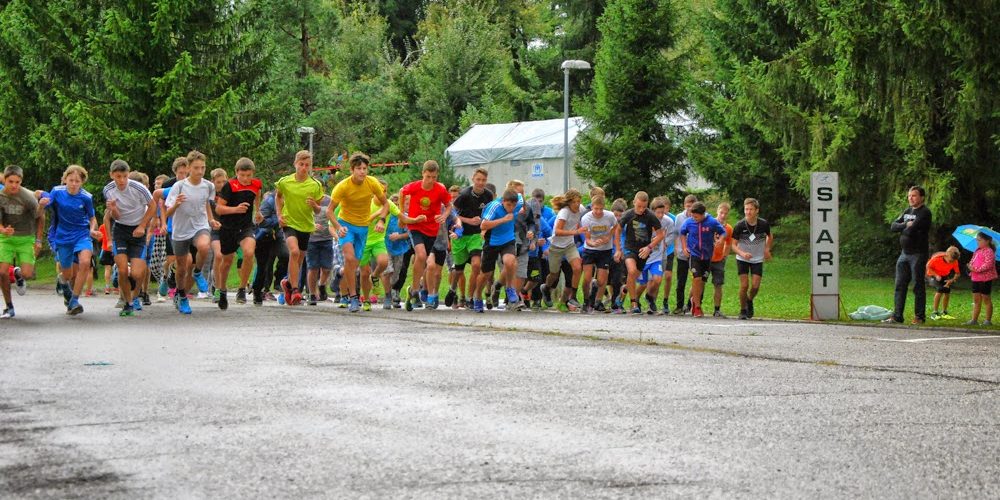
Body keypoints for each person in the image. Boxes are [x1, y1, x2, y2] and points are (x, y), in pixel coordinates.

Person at [327, 152, 390, 313]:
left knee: (354, 264)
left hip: (363, 227)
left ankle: (339, 275)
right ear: (352, 170)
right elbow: (329, 211)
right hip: (346, 225)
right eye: (359, 168)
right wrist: (338, 227)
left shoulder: (372, 183)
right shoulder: (343, 186)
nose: (362, 171)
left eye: (364, 168)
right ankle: (353, 297)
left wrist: (381, 220)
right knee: (349, 258)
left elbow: (386, 205)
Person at [165, 151, 219, 315]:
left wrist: (211, 220)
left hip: (199, 225)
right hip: (181, 230)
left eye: (203, 168)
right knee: (182, 268)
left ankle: (197, 273)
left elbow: (206, 204)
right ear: (188, 168)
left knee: (204, 246)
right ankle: (181, 295)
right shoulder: (179, 186)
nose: (200, 171)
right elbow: (167, 213)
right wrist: (176, 204)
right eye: (196, 168)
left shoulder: (208, 186)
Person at [102, 159, 156, 316]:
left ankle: (135, 295)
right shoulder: (108, 190)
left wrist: (142, 226)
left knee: (137, 273)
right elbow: (115, 216)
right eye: (118, 176)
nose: (122, 180)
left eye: (125, 176)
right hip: (120, 230)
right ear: (112, 175)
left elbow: (153, 206)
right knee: (123, 270)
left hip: (138, 231)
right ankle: (128, 303)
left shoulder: (138, 188)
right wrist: (113, 209)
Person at [48, 165, 102, 315]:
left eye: (77, 181)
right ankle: (61, 279)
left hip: (82, 234)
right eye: (71, 180)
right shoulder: (56, 192)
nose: (73, 184)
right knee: (68, 274)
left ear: (82, 182)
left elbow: (92, 218)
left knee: (85, 263)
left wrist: (92, 230)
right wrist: (40, 202)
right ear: (65, 179)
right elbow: (46, 205)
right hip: (63, 236)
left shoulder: (86, 197)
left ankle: (74, 300)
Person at [400, 160, 451, 310]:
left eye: (434, 177)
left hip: (432, 229)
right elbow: (402, 192)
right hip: (415, 225)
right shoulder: (415, 186)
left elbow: (449, 205)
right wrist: (402, 214)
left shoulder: (440, 189)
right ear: (423, 174)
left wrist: (444, 216)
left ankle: (412, 290)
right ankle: (416, 290)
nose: (430, 180)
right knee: (421, 255)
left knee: (423, 259)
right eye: (428, 176)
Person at [275, 150, 324, 306]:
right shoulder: (285, 182)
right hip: (289, 222)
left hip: (306, 225)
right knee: (294, 252)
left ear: (310, 167)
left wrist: (314, 205)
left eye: (307, 165)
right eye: (301, 164)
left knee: (300, 258)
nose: (304, 168)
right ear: (295, 164)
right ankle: (296, 290)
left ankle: (288, 283)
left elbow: (318, 210)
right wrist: (279, 215)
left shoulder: (315, 185)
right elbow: (278, 196)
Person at [215, 158, 262, 308]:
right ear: (236, 173)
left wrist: (258, 211)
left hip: (246, 226)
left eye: (249, 175)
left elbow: (257, 194)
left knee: (249, 252)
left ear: (253, 173)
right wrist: (235, 209)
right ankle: (222, 290)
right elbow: (219, 209)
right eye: (242, 175)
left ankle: (242, 289)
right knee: (227, 261)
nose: (245, 179)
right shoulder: (229, 186)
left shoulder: (256, 184)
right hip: (228, 227)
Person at [0, 166, 45, 319]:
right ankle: (9, 306)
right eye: (10, 182)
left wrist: (38, 240)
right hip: (6, 238)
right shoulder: (0, 196)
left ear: (21, 181)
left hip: (26, 237)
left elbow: (40, 216)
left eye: (17, 182)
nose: (14, 185)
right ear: (4, 180)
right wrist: (3, 230)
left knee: (28, 274)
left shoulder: (28, 197)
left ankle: (17, 273)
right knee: (1, 272)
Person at [885, 186, 932, 324]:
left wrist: (904, 227)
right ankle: (897, 316)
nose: (911, 198)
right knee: (899, 285)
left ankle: (919, 317)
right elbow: (893, 226)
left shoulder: (925, 212)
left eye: (914, 195)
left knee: (918, 286)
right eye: (909, 196)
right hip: (904, 254)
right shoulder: (907, 211)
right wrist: (905, 225)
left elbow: (912, 230)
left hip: (918, 254)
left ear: (922, 197)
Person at [614, 191, 664, 314]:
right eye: (639, 206)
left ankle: (623, 292)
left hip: (643, 251)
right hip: (629, 248)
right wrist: (618, 249)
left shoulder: (650, 216)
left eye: (644, 207)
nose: (641, 209)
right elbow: (618, 230)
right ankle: (634, 303)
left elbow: (660, 235)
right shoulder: (628, 214)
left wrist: (649, 247)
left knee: (633, 276)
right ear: (634, 202)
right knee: (631, 271)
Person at [450, 168, 493, 309]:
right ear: (473, 179)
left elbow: (490, 213)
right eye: (478, 179)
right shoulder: (464, 195)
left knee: (476, 265)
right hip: (461, 234)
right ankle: (452, 289)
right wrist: (468, 220)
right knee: (458, 270)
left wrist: (484, 226)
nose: (480, 183)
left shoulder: (488, 195)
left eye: (483, 180)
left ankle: (470, 297)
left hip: (476, 235)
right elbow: (452, 214)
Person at [540, 189, 585, 312]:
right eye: (574, 202)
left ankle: (573, 297)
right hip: (556, 246)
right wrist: (575, 232)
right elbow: (558, 231)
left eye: (579, 201)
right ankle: (546, 287)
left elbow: (584, 218)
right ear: (569, 203)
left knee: (577, 267)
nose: (577, 204)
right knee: (554, 274)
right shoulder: (564, 213)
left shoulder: (580, 209)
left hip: (569, 245)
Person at [477, 189, 522, 313]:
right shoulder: (494, 206)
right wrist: (504, 219)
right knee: (486, 274)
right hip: (492, 241)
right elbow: (483, 225)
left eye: (513, 205)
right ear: (503, 201)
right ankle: (478, 297)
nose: (511, 208)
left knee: (510, 261)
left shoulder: (518, 202)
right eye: (508, 205)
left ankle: (510, 288)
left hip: (508, 239)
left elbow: (520, 195)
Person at [679, 202, 726, 318]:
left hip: (707, 256)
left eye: (696, 217)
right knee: (697, 279)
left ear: (703, 214)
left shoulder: (712, 222)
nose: (694, 219)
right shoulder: (689, 222)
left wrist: (720, 240)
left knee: (702, 282)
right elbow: (682, 233)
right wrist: (684, 247)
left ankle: (693, 300)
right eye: (692, 216)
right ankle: (697, 307)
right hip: (694, 255)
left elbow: (723, 232)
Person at [732, 198, 773, 320]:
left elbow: (770, 236)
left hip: (757, 258)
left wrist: (767, 249)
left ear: (757, 211)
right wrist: (742, 253)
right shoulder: (739, 225)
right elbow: (733, 245)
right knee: (744, 285)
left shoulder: (763, 224)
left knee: (755, 286)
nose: (748, 212)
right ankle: (743, 310)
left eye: (751, 209)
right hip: (742, 258)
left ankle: (749, 300)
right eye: (746, 209)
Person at [579, 194, 616, 313]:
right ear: (592, 207)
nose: (598, 212)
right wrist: (593, 243)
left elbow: (616, 226)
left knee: (601, 280)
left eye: (601, 209)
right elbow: (587, 238)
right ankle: (586, 300)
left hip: (605, 250)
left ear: (604, 207)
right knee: (587, 278)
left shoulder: (610, 216)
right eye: (596, 209)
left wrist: (609, 236)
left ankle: (597, 300)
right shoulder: (586, 218)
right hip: (590, 249)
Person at [706, 202, 733, 317]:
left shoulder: (728, 228)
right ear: (717, 211)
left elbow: (728, 243)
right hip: (706, 258)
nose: (723, 215)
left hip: (718, 260)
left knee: (718, 284)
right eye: (721, 213)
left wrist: (724, 256)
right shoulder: (710, 223)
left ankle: (717, 309)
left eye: (725, 214)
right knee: (699, 282)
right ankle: (691, 305)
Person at [672, 194, 698, 314]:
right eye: (688, 206)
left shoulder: (700, 217)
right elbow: (677, 234)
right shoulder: (679, 217)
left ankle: (691, 304)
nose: (690, 209)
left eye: (692, 206)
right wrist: (677, 249)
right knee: (681, 281)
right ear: (684, 206)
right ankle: (679, 306)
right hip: (683, 254)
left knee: (696, 280)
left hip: (695, 254)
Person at [966, 232, 996, 326]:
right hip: (975, 278)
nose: (977, 242)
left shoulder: (989, 251)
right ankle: (974, 320)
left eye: (979, 240)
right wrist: (970, 266)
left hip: (985, 279)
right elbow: (973, 260)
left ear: (987, 241)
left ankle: (988, 321)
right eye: (977, 240)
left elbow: (988, 264)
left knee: (986, 299)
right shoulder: (977, 250)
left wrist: (976, 269)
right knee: (976, 300)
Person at [926, 246, 961, 320]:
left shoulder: (954, 261)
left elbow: (957, 273)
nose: (951, 262)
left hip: (944, 276)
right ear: (947, 254)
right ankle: (934, 313)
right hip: (932, 275)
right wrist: (936, 275)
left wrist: (952, 280)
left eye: (953, 261)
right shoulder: (936, 259)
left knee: (947, 291)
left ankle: (944, 312)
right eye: (950, 260)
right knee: (940, 289)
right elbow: (928, 267)